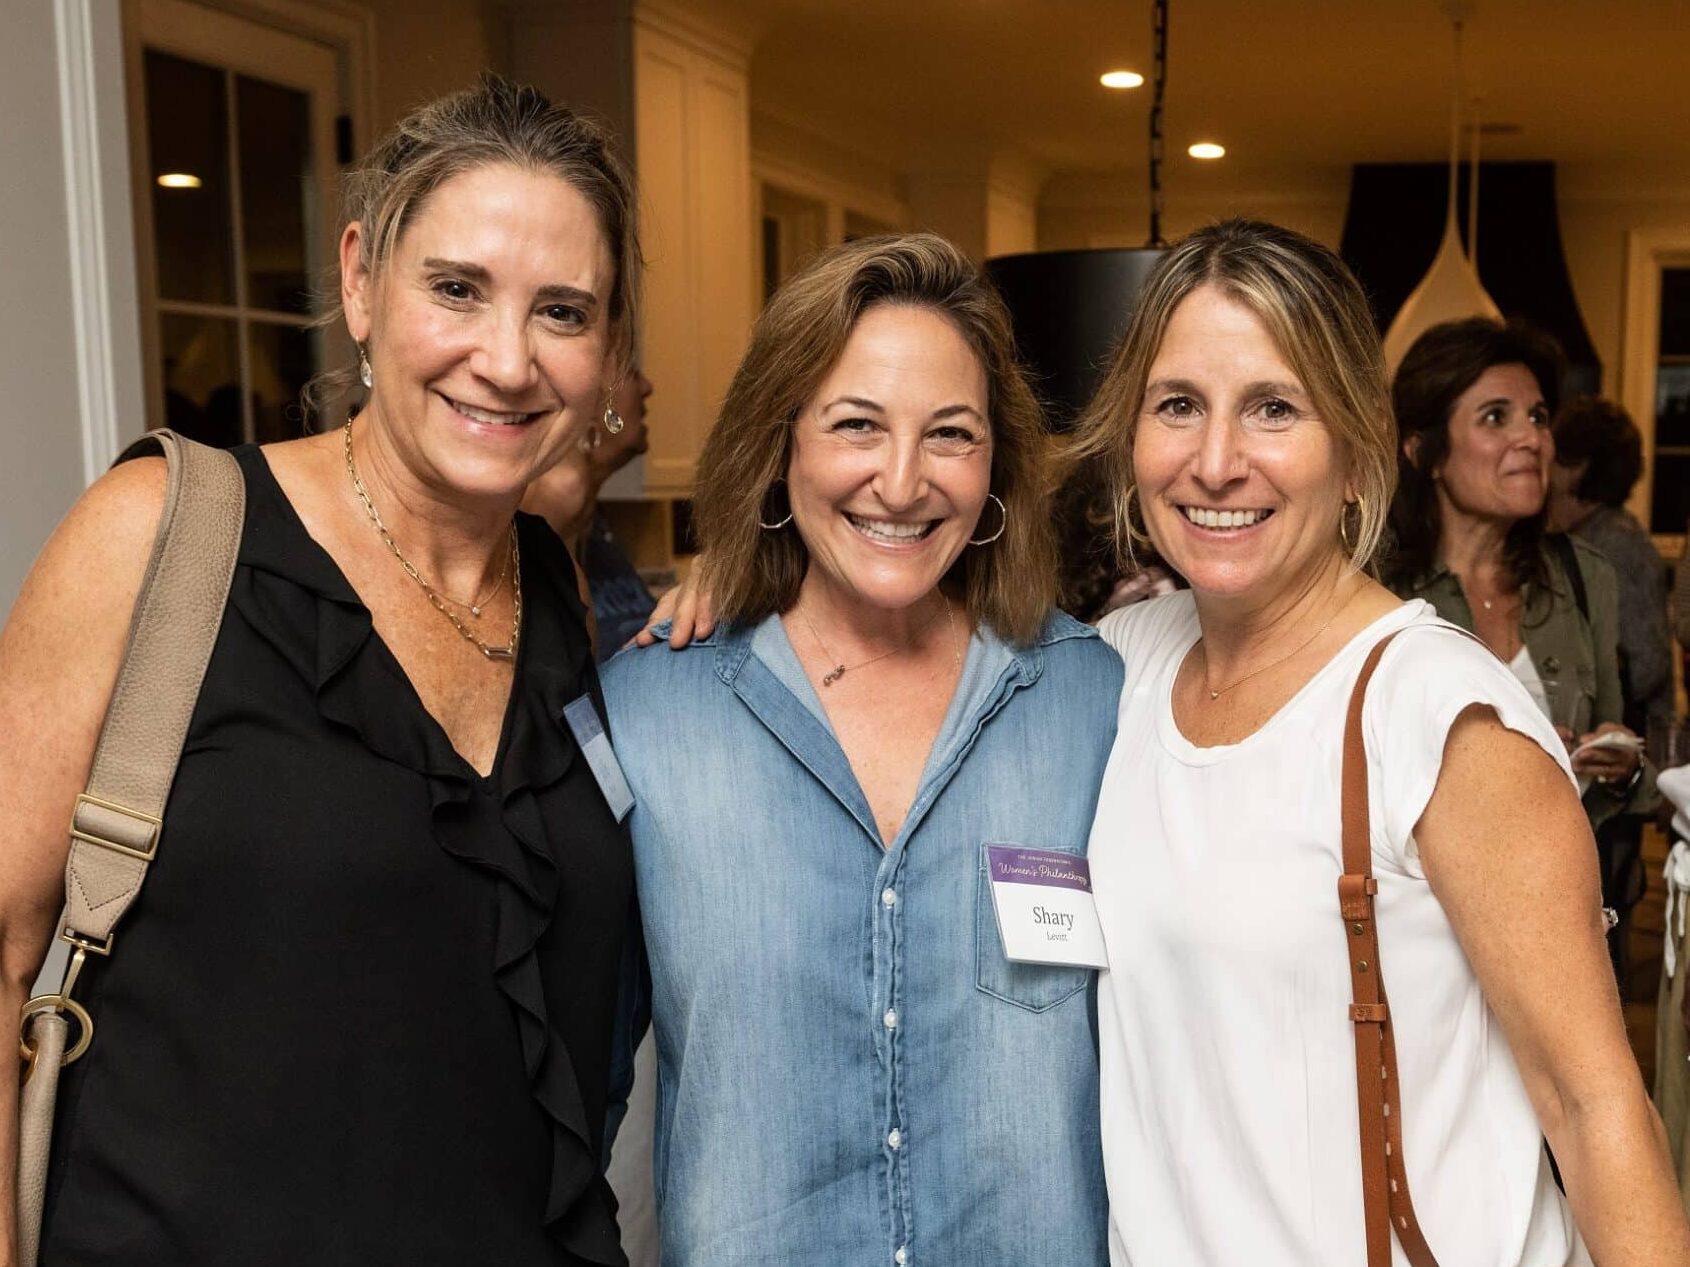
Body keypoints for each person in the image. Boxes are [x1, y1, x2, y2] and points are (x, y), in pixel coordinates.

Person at [0, 75, 641, 1265]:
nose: (505, 361)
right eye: (456, 290)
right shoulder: (163, 531)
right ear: (358, 279)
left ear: (608, 353)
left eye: (563, 311)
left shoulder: (557, 599)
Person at [1065, 221, 1689, 1263]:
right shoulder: (1112, 667)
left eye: (1273, 408)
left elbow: (1595, 1110)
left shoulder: (1440, 720)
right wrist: (759, 589)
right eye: (1177, 405)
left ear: (1356, 454)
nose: (1215, 462)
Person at [601, 234, 1119, 1265]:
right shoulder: (648, 711)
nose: (901, 480)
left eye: (950, 435)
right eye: (855, 425)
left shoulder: (1091, 700)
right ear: (779, 444)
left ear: (997, 463)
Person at [1546, 395, 1674, 735]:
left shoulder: (1616, 543)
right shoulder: (1585, 534)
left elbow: (1648, 660)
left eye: (1555, 454)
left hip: (1628, 741)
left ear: (1577, 467)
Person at [525, 367, 660, 660]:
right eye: (634, 375)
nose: (647, 387)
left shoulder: (594, 522)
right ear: (593, 396)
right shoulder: (558, 492)